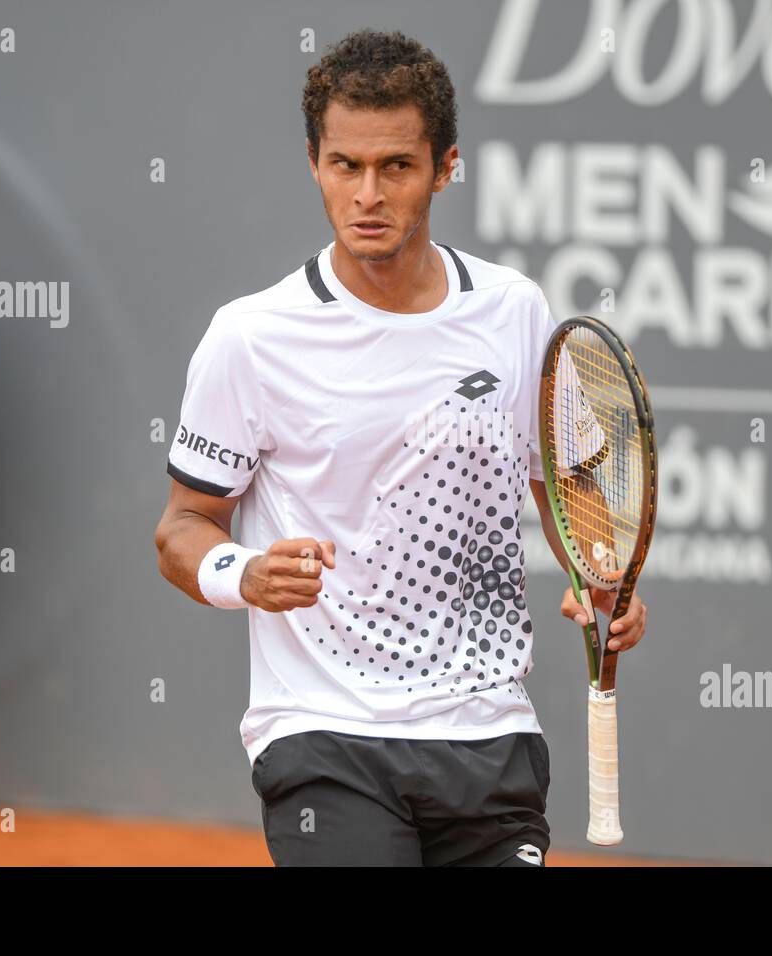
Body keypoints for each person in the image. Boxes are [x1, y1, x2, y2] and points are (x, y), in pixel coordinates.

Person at [154, 29, 647, 866]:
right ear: (314, 163)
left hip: (489, 731)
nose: (368, 194)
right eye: (346, 165)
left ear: (445, 166)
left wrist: (601, 583)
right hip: (323, 735)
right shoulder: (250, 338)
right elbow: (181, 528)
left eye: (397, 167)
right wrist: (244, 573)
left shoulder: (513, 310)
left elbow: (567, 489)